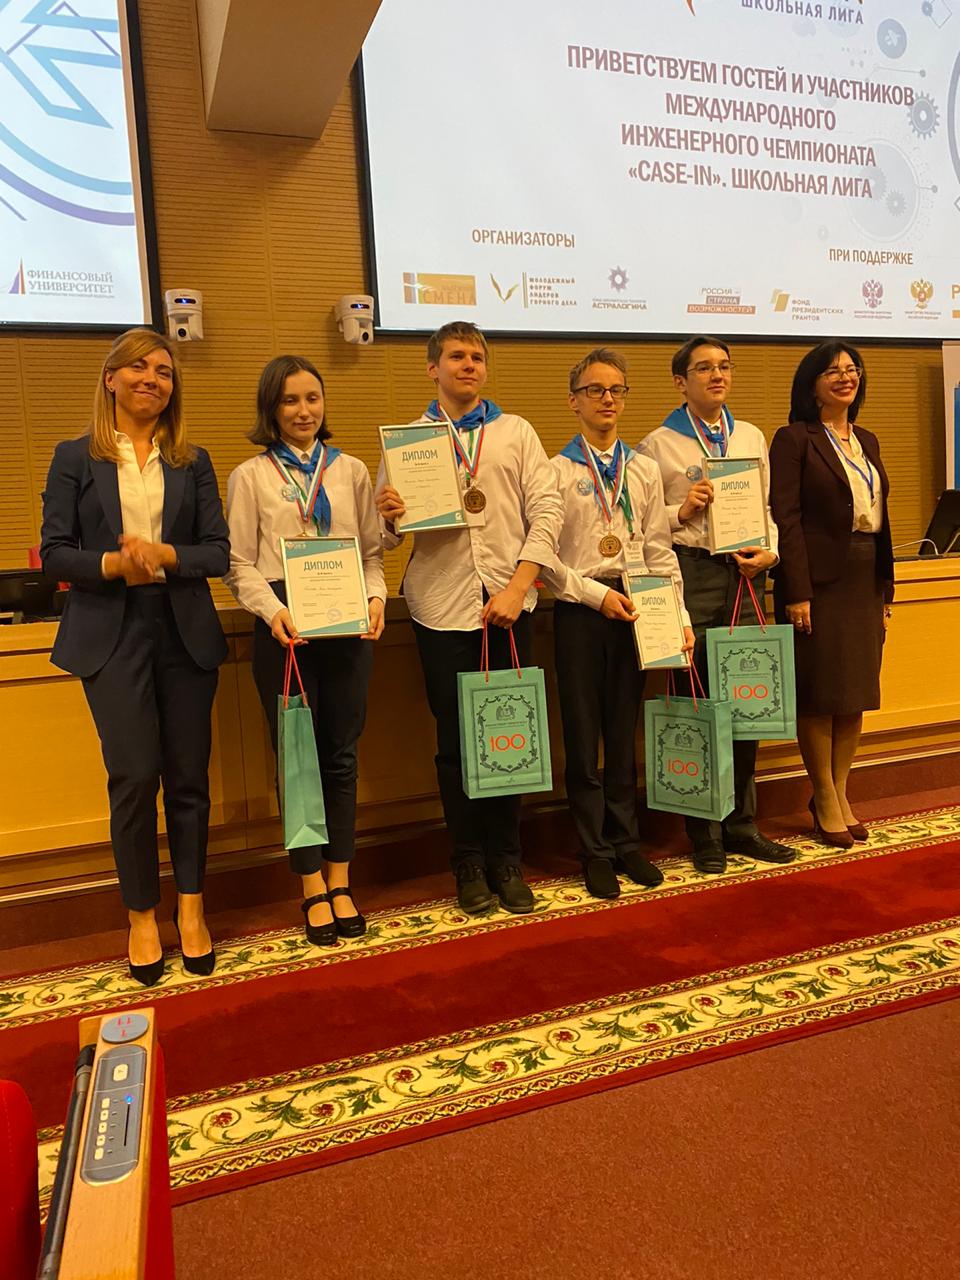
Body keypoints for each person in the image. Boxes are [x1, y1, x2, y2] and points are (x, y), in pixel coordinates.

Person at [40, 328, 229, 986]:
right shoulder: (74, 457)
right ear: (111, 378)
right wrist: (114, 564)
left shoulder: (191, 460)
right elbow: (55, 553)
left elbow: (218, 551)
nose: (153, 379)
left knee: (189, 780)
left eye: (165, 371)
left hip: (184, 629)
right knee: (133, 778)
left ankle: (192, 908)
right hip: (112, 632)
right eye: (140, 367)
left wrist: (165, 555)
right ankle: (142, 916)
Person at [376, 322, 563, 915]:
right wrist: (389, 516)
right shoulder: (408, 441)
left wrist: (518, 586)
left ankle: (507, 859)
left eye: (477, 356)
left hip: (509, 605)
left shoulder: (516, 433)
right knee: (456, 742)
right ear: (432, 367)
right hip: (441, 607)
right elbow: (386, 538)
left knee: (510, 735)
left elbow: (548, 511)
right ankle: (468, 862)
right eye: (456, 356)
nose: (469, 365)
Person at [224, 356, 386, 946]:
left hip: (346, 623)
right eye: (289, 400)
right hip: (285, 625)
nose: (303, 411)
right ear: (271, 409)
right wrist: (273, 611)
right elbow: (238, 563)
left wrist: (376, 598)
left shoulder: (351, 471)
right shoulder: (251, 476)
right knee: (297, 760)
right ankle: (310, 883)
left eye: (312, 398)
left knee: (341, 756)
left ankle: (341, 879)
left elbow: (371, 552)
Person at [637, 335, 795, 874]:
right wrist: (681, 511)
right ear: (680, 381)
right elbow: (643, 524)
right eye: (703, 368)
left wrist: (770, 552)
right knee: (696, 700)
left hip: (745, 575)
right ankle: (703, 830)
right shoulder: (658, 444)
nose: (717, 375)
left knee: (747, 701)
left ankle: (742, 825)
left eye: (724, 366)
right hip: (692, 574)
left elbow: (767, 508)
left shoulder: (748, 435)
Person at [540, 347, 694, 899]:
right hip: (581, 608)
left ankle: (627, 841)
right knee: (584, 737)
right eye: (594, 390)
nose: (606, 399)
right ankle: (594, 849)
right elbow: (544, 556)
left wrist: (677, 615)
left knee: (624, 730)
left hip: (636, 606)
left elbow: (659, 550)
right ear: (573, 400)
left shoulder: (643, 469)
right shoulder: (554, 471)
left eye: (616, 390)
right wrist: (594, 594)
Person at [769, 342, 892, 847]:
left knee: (854, 693)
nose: (845, 377)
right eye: (833, 371)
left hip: (865, 577)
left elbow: (881, 519)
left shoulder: (867, 439)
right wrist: (797, 590)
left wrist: (886, 586)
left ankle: (840, 792)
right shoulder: (794, 439)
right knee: (820, 693)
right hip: (817, 584)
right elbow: (787, 518)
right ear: (812, 383)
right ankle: (822, 795)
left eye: (851, 369)